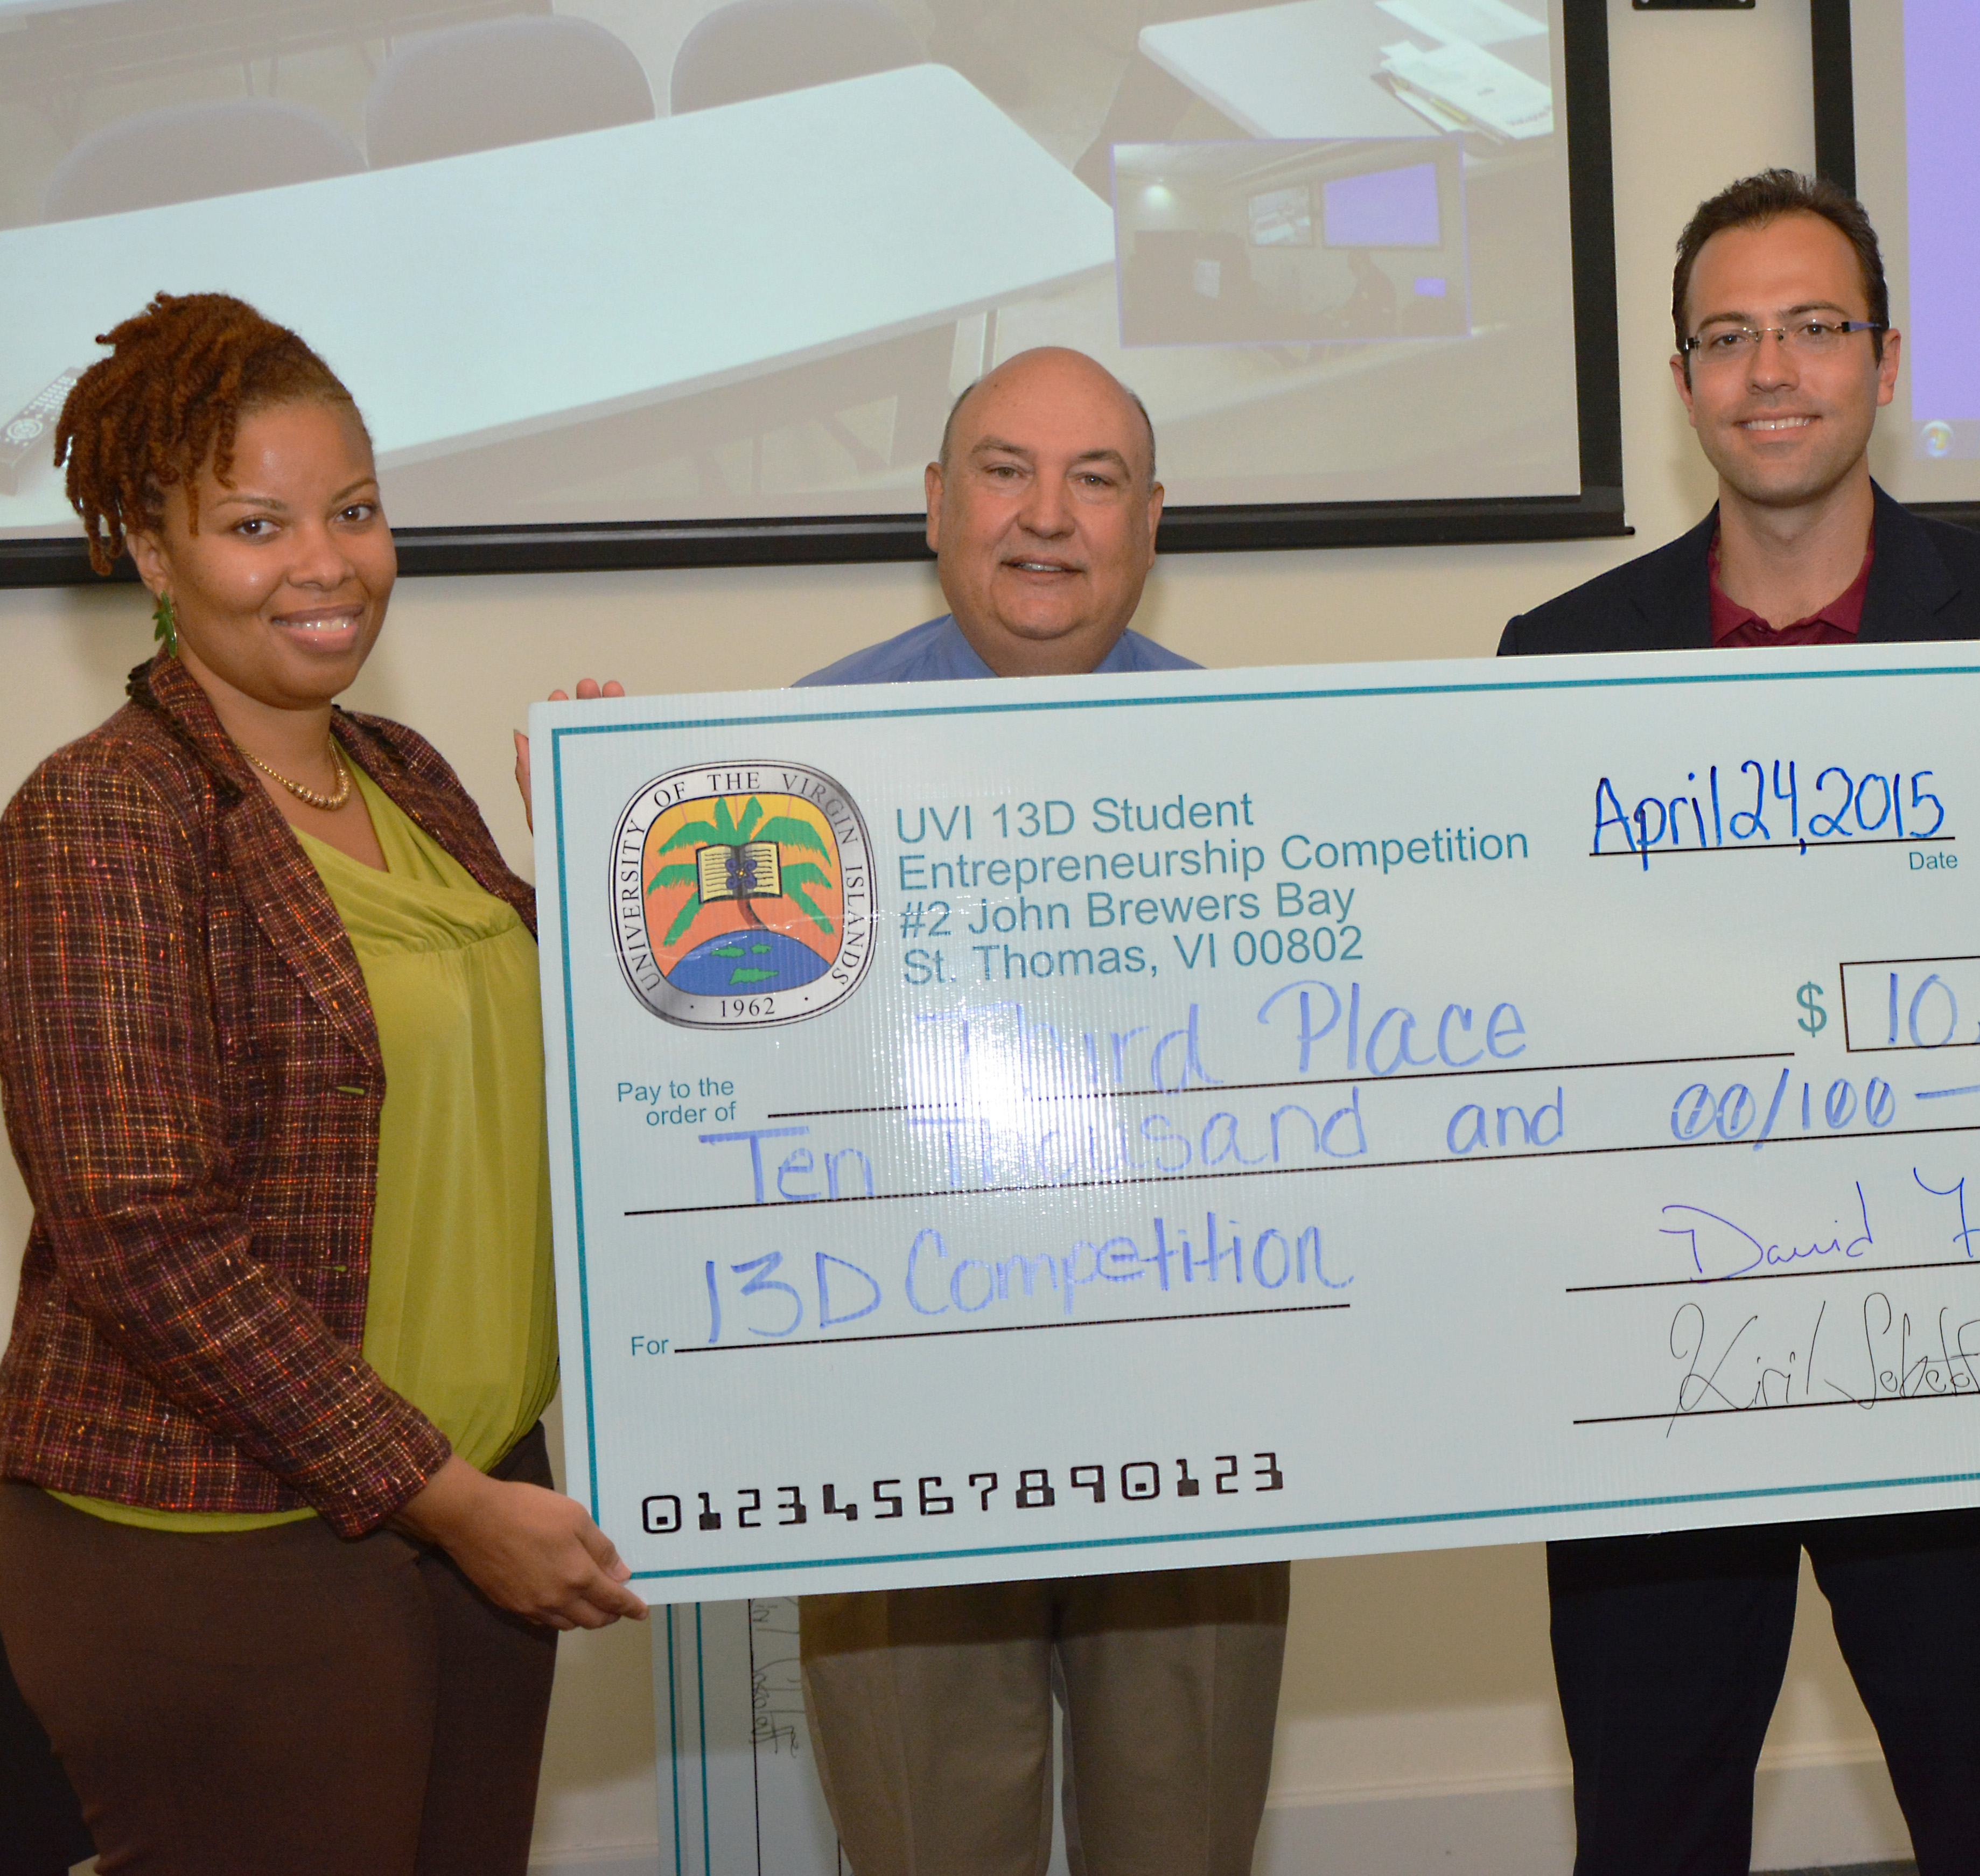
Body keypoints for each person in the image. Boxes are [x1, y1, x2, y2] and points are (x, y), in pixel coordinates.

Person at [1498, 170, 1980, 1876]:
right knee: (1650, 1825)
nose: (1772, 371)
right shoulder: (1550, 662)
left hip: (1950, 1357)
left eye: (1815, 328)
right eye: (1730, 336)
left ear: (1890, 357)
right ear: (1685, 374)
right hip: (1661, 1361)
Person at [0, 292, 645, 1874]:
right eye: (255, 521)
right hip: (234, 1548)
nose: (325, 560)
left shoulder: (406, 777)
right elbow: (144, 1238)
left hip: (471, 1504)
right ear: (154, 554)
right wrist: (441, 1495)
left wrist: (598, 844)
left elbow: (514, 1066)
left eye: (353, 509)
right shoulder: (101, 818)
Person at [792, 346, 1289, 1876]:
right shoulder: (781, 768)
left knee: (1182, 1839)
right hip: (898, 1439)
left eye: (1096, 480)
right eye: (1006, 471)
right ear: (937, 505)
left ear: (1153, 522)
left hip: (1191, 1434)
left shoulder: (1274, 772)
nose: (1046, 519)